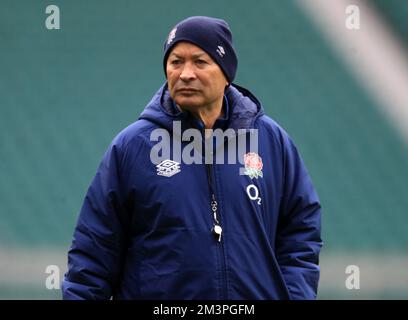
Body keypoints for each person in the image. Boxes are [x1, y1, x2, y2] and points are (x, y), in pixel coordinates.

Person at [62, 16, 323, 300]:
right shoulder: (132, 147)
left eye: (200, 62)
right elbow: (92, 255)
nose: (186, 74)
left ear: (226, 72)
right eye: (176, 62)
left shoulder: (271, 142)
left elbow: (301, 235)